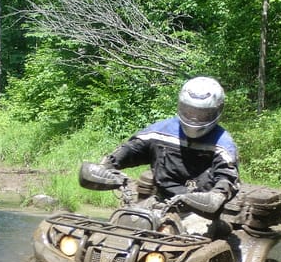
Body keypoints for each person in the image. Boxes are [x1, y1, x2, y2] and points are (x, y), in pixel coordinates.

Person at [100, 76, 239, 218]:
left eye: (202, 114)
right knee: (125, 219)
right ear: (181, 106)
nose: (194, 117)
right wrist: (106, 166)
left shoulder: (223, 144)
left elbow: (227, 178)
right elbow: (131, 150)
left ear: (216, 111)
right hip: (159, 203)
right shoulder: (159, 132)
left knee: (194, 228)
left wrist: (217, 195)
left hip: (199, 212)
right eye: (189, 111)